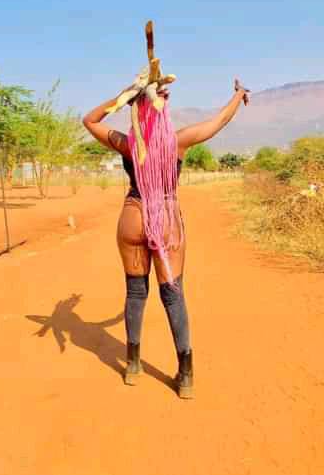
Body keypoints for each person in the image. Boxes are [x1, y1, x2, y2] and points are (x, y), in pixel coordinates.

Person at [82, 75, 249, 398]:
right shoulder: (179, 141)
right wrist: (238, 95)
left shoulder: (127, 143)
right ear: (162, 110)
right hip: (167, 218)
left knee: (135, 292)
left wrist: (122, 96)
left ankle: (133, 366)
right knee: (173, 295)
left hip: (133, 214)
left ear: (136, 108)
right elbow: (220, 120)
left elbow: (90, 120)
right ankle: (185, 376)